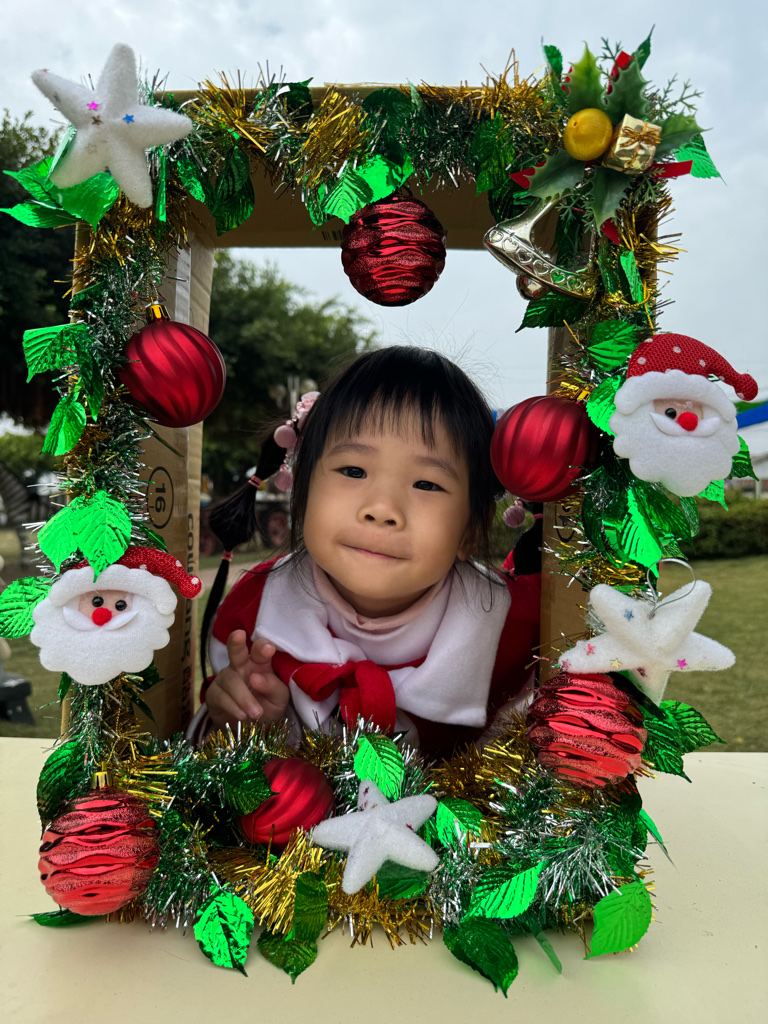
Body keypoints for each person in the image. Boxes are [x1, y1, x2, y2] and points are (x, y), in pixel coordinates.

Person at [190, 347, 540, 758]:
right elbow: (203, 760)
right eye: (353, 471)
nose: (381, 509)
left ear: (471, 529)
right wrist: (244, 722)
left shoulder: (520, 631)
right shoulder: (254, 615)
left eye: (427, 484)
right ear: (302, 489)